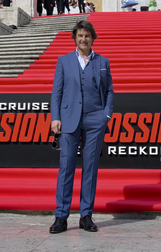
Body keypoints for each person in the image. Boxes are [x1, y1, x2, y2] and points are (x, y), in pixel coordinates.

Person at [49, 20, 113, 235]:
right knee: (66, 167)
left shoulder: (103, 61)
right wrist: (55, 117)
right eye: (80, 36)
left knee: (90, 168)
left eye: (87, 35)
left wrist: (106, 115)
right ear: (74, 38)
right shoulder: (64, 61)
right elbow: (56, 92)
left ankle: (86, 215)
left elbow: (110, 91)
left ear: (93, 38)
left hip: (95, 120)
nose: (83, 39)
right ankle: (61, 216)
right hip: (68, 119)